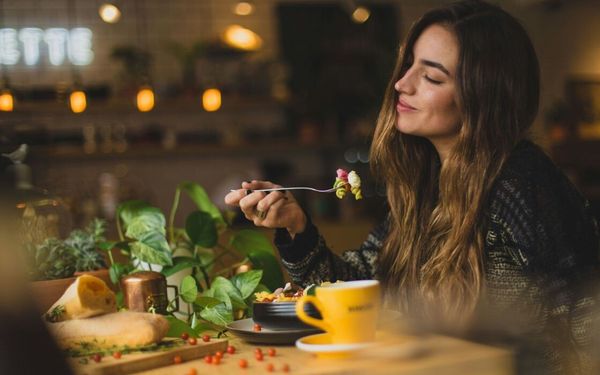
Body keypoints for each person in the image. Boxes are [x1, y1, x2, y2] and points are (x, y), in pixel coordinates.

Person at [225, 1, 599, 373]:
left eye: (432, 77)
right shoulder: (427, 185)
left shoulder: (521, 184)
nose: (402, 84)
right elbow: (358, 291)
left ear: (484, 97)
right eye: (409, 66)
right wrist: (297, 227)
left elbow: (588, 323)